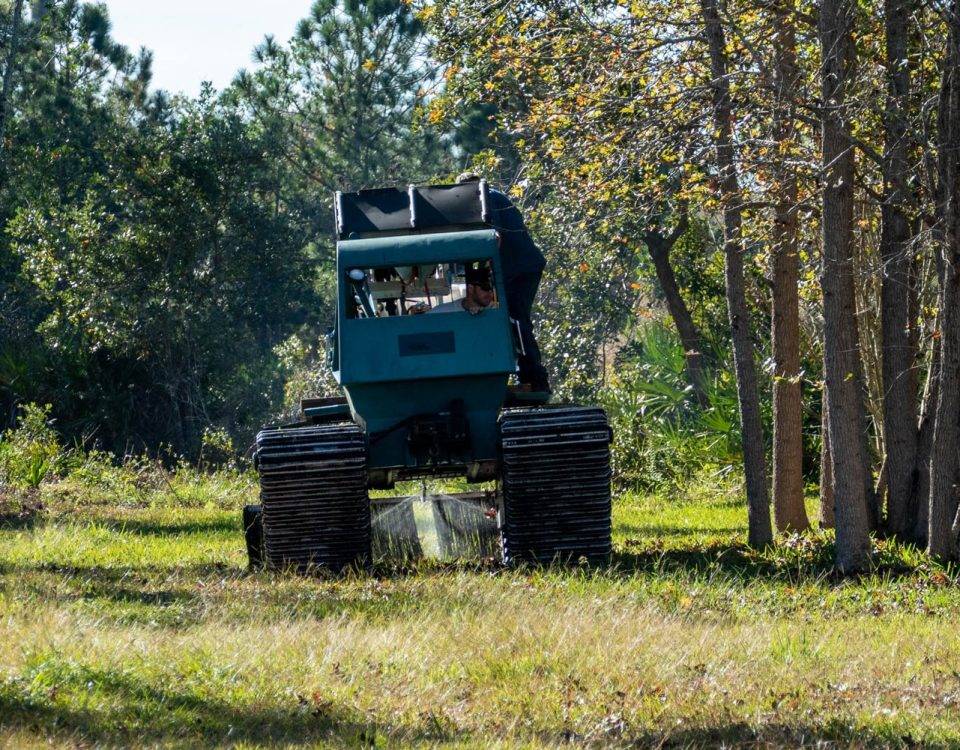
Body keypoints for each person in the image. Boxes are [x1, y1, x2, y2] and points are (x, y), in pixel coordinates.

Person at [457, 172, 550, 392]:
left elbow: (494, 238)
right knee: (513, 318)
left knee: (516, 319)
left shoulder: (485, 198)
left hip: (520, 269)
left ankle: (534, 378)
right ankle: (526, 375)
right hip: (520, 267)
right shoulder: (493, 195)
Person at [427, 265, 495, 315]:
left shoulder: (494, 311)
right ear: (470, 288)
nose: (490, 293)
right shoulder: (441, 312)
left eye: (493, 289)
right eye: (485, 287)